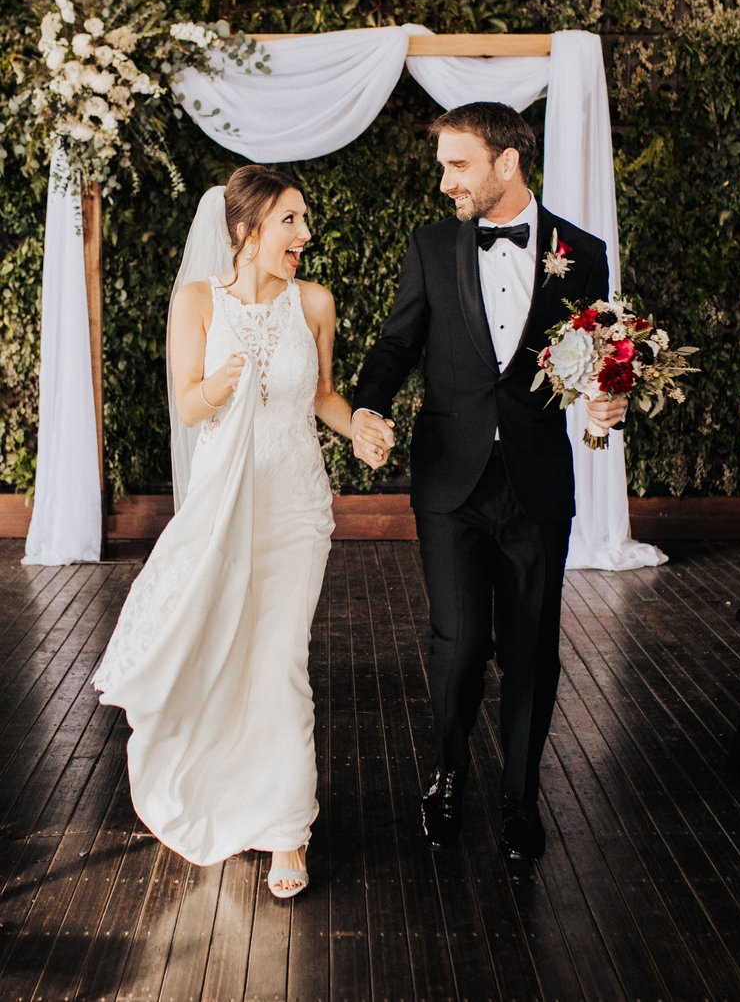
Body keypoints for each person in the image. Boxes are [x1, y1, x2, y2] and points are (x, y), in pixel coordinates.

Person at [94, 165, 386, 896]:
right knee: (228, 654)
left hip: (295, 506)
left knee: (282, 658)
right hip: (224, 505)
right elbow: (189, 408)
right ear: (247, 229)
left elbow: (321, 394)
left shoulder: (313, 302)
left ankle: (289, 830)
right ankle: (227, 797)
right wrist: (213, 387)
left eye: (304, 220)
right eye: (291, 220)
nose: (305, 236)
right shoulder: (195, 302)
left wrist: (360, 427)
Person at [351, 102, 627, 860]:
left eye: (458, 164)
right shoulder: (433, 246)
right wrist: (367, 406)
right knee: (461, 641)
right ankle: (447, 771)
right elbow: (396, 341)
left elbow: (604, 353)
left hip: (537, 482)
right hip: (450, 480)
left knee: (532, 647)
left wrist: (613, 397)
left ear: (507, 162)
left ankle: (520, 796)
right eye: (443, 164)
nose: (445, 182)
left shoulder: (584, 249)